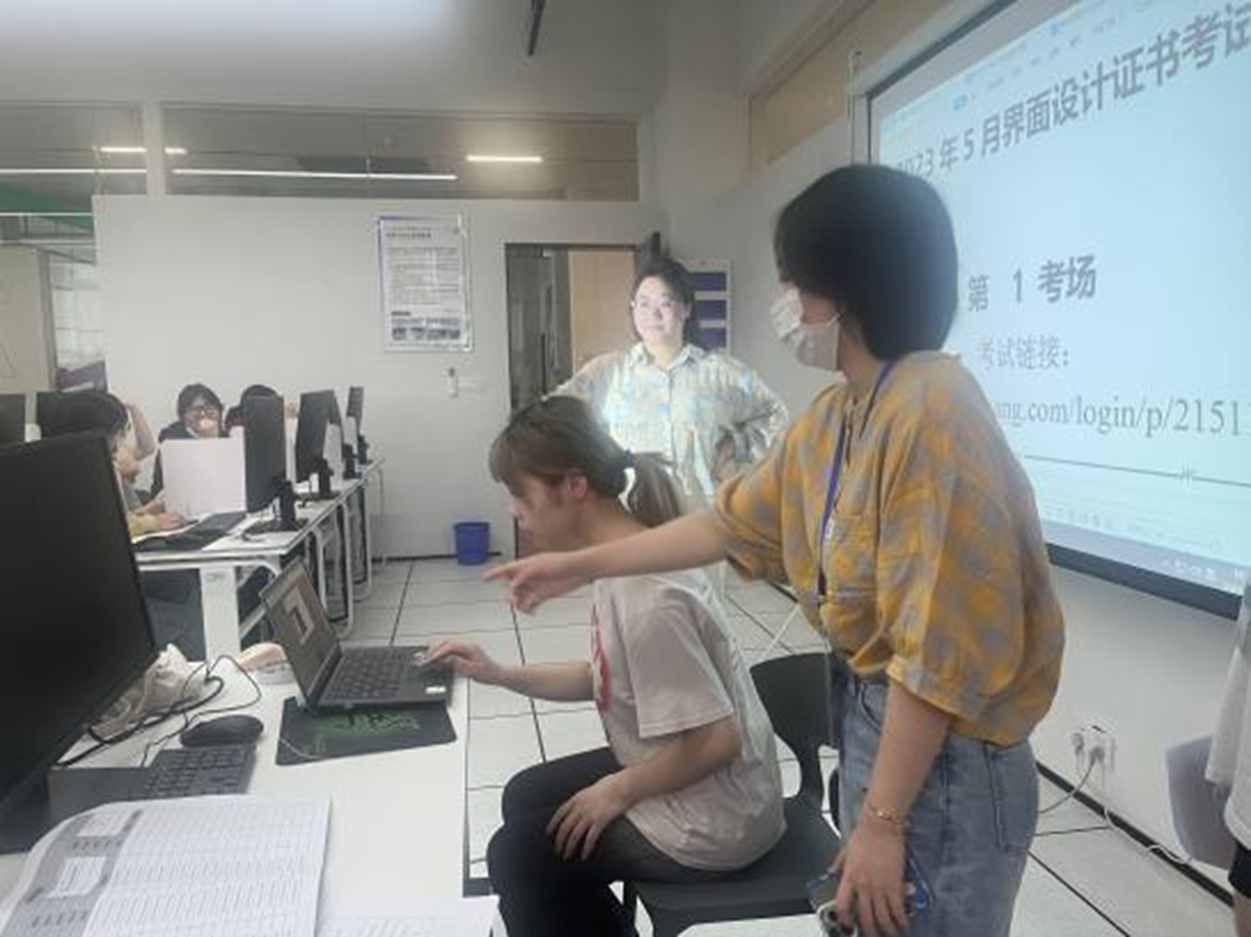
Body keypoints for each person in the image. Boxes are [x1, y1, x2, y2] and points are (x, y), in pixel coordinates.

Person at [488, 165, 1066, 937]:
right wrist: (577, 563)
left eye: (792, 281)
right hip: (877, 730)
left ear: (842, 288)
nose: (785, 302)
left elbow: (935, 658)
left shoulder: (932, 413)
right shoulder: (841, 412)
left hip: (945, 761)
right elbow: (728, 523)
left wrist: (882, 820)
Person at [430, 395, 785, 937]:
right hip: (698, 776)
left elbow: (717, 741)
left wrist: (617, 790)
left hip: (719, 820)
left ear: (574, 486)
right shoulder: (629, 556)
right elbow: (607, 676)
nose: (514, 510)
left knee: (518, 856)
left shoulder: (647, 596)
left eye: (520, 494)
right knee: (527, 796)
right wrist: (497, 672)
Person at [554, 256, 789, 510]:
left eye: (665, 303)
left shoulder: (719, 374)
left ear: (686, 309)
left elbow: (776, 414)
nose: (653, 314)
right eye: (643, 303)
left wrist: (735, 446)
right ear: (632, 308)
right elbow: (554, 415)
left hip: (700, 517)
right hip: (629, 516)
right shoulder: (608, 372)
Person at [42, 390, 184, 537]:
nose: (120, 441)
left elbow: (118, 518)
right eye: (119, 432)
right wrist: (152, 522)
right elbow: (98, 526)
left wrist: (154, 508)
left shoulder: (97, 463)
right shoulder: (72, 475)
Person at [152, 383, 225, 492]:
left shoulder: (229, 439)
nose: (203, 414)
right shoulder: (172, 443)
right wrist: (209, 439)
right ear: (183, 415)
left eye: (210, 408)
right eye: (196, 409)